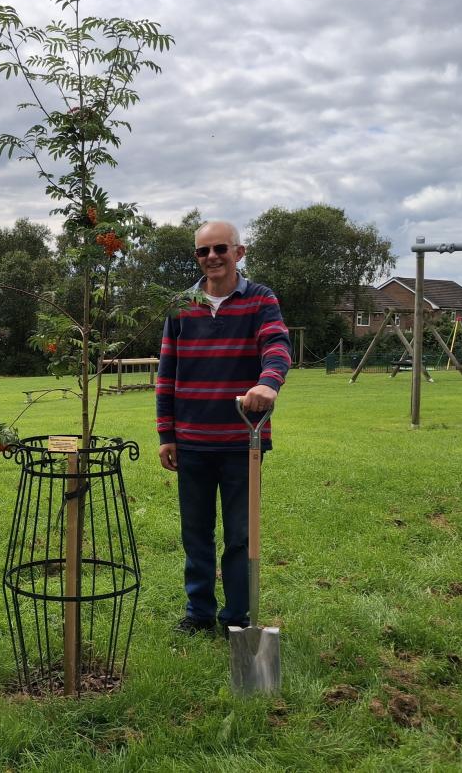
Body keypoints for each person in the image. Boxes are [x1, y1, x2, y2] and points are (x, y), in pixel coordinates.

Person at [156, 220, 291, 635]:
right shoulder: (181, 305)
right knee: (195, 533)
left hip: (242, 441)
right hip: (192, 442)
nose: (212, 257)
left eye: (220, 249)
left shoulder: (261, 299)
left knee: (240, 536)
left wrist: (268, 384)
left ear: (239, 252)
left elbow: (277, 344)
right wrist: (166, 434)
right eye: (204, 251)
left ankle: (237, 617)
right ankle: (199, 614)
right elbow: (166, 372)